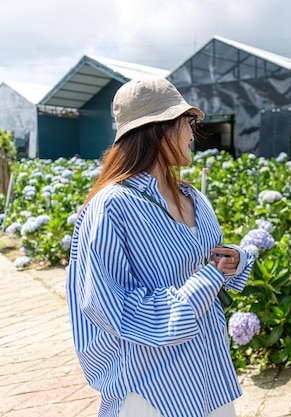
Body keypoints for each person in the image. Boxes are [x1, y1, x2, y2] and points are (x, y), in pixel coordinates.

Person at [66, 77, 254, 417]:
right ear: (159, 129)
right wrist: (203, 284)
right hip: (153, 389)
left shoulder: (192, 197)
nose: (193, 132)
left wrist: (235, 260)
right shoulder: (112, 206)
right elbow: (110, 308)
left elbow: (211, 266)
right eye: (188, 122)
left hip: (208, 373)